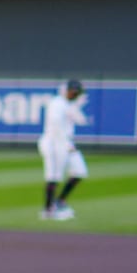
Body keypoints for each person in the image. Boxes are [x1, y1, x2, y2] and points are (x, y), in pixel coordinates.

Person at [40, 79, 89, 221]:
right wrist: (64, 143)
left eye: (77, 92)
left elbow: (82, 120)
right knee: (53, 175)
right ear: (66, 90)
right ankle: (48, 210)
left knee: (80, 171)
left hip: (67, 143)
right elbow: (55, 124)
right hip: (53, 143)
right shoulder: (57, 103)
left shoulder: (70, 104)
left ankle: (60, 201)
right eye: (73, 91)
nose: (75, 94)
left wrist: (76, 107)